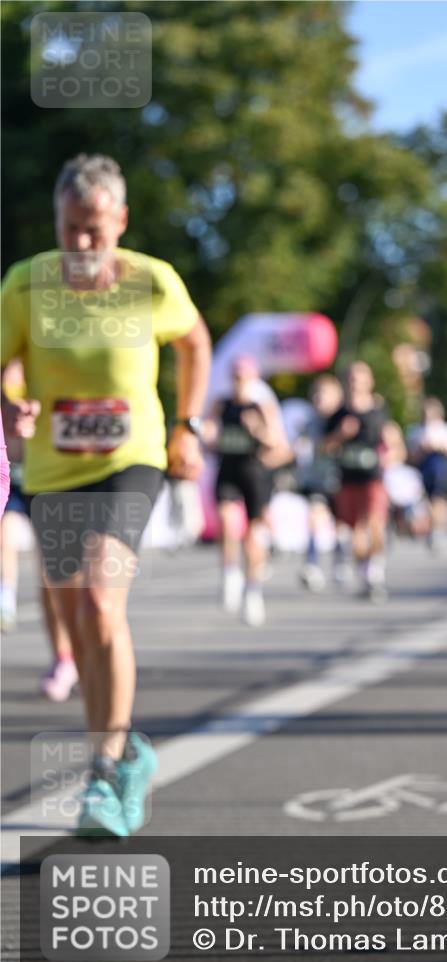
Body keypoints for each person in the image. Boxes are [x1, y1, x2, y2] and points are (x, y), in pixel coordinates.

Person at [1, 154, 211, 836]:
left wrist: (187, 423)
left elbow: (195, 342)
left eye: (95, 229)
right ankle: (121, 758)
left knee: (98, 598)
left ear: (120, 220)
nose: (83, 245)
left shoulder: (154, 282)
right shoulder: (25, 285)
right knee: (81, 625)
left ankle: (103, 768)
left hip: (131, 459)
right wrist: (10, 407)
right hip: (54, 468)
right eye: (70, 229)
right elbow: (4, 366)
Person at [1, 360, 79, 699]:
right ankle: (6, 599)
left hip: (50, 480)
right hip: (15, 481)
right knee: (5, 530)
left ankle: (65, 657)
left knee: (51, 578)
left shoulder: (51, 372)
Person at [203, 355, 288, 626]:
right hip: (227, 469)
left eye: (244, 376)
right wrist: (206, 435)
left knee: (253, 535)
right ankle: (230, 572)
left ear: (253, 379)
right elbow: (208, 432)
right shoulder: (222, 404)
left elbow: (277, 443)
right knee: (227, 522)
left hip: (253, 473)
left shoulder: (261, 406)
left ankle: (253, 591)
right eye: (235, 376)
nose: (239, 382)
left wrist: (257, 429)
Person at [323, 361, 390, 601]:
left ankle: (375, 569)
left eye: (360, 378)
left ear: (369, 382)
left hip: (373, 479)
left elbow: (392, 441)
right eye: (351, 378)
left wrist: (391, 454)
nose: (355, 383)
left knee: (373, 524)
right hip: (348, 479)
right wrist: (340, 435)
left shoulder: (378, 411)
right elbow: (324, 448)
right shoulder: (339, 415)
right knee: (356, 534)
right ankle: (367, 573)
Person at [294, 375, 346, 592]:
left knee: (340, 525)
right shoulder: (309, 422)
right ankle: (312, 564)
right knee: (315, 517)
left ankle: (340, 561)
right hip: (317, 480)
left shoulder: (344, 419)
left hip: (340, 479)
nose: (318, 398)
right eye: (315, 393)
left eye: (323, 393)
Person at [407, 397, 447, 549]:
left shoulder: (446, 430)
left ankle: (441, 530)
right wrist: (422, 451)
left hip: (440, 468)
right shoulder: (416, 431)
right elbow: (409, 457)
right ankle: (433, 528)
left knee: (439, 498)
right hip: (423, 469)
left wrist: (443, 448)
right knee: (428, 501)